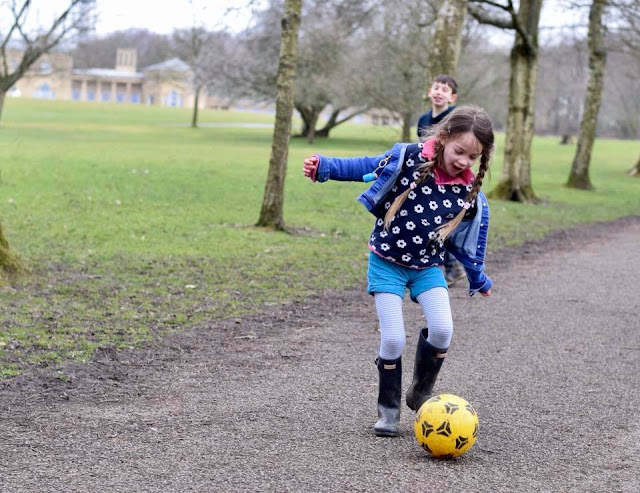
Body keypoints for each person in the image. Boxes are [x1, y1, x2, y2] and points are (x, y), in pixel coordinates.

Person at [302, 106, 494, 437]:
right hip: (386, 263)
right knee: (392, 338)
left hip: (427, 268)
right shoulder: (407, 158)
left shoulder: (467, 192)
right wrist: (325, 167)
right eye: (459, 151)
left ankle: (420, 391)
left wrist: (478, 278)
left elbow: (464, 245)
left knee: (443, 331)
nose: (464, 161)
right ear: (444, 138)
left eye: (472, 157)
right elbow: (364, 166)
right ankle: (387, 409)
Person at [417, 74, 465, 286]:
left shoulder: (454, 119)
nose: (439, 92)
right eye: (436, 88)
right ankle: (440, 267)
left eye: (444, 90)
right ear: (429, 92)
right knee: (429, 222)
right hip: (428, 179)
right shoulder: (423, 120)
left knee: (444, 223)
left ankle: (454, 267)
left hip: (450, 180)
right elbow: (422, 149)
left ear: (452, 97)